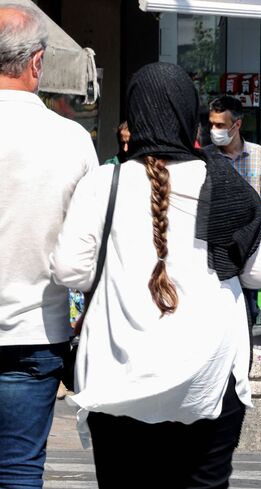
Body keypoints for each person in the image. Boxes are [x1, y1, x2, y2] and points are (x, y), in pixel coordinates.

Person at [50, 62, 261, 488]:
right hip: (208, 381)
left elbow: (70, 269)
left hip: (119, 377)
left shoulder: (104, 182)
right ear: (188, 114)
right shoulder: (223, 182)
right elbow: (259, 273)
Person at [0, 5, 98, 487]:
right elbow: (86, 251)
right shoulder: (72, 141)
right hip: (35, 330)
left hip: (35, 335)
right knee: (19, 469)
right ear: (37, 63)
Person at [204, 95, 261, 328]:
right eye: (211, 124)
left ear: (237, 125)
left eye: (220, 125)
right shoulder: (206, 157)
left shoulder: (258, 155)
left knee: (249, 310)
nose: (214, 130)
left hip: (250, 246)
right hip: (215, 246)